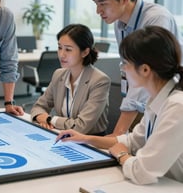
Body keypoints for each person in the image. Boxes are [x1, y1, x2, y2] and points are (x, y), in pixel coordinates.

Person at [56, 26, 183, 184]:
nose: (122, 69)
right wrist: (85, 139)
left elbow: (142, 173)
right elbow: (133, 142)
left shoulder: (177, 107)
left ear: (144, 69)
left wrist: (122, 156)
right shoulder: (156, 100)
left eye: (125, 64)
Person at [84, 0, 183, 136]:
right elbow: (129, 68)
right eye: (96, 3)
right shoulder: (119, 24)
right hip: (145, 98)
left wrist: (118, 133)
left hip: (169, 99)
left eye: (103, 4)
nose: (98, 11)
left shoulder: (156, 18)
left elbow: (147, 73)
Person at [31, 24, 110, 135]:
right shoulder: (59, 75)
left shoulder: (99, 81)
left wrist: (50, 120)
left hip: (90, 142)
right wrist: (41, 117)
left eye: (68, 49)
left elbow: (80, 126)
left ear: (85, 52)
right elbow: (38, 107)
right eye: (59, 48)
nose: (61, 54)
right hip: (62, 135)